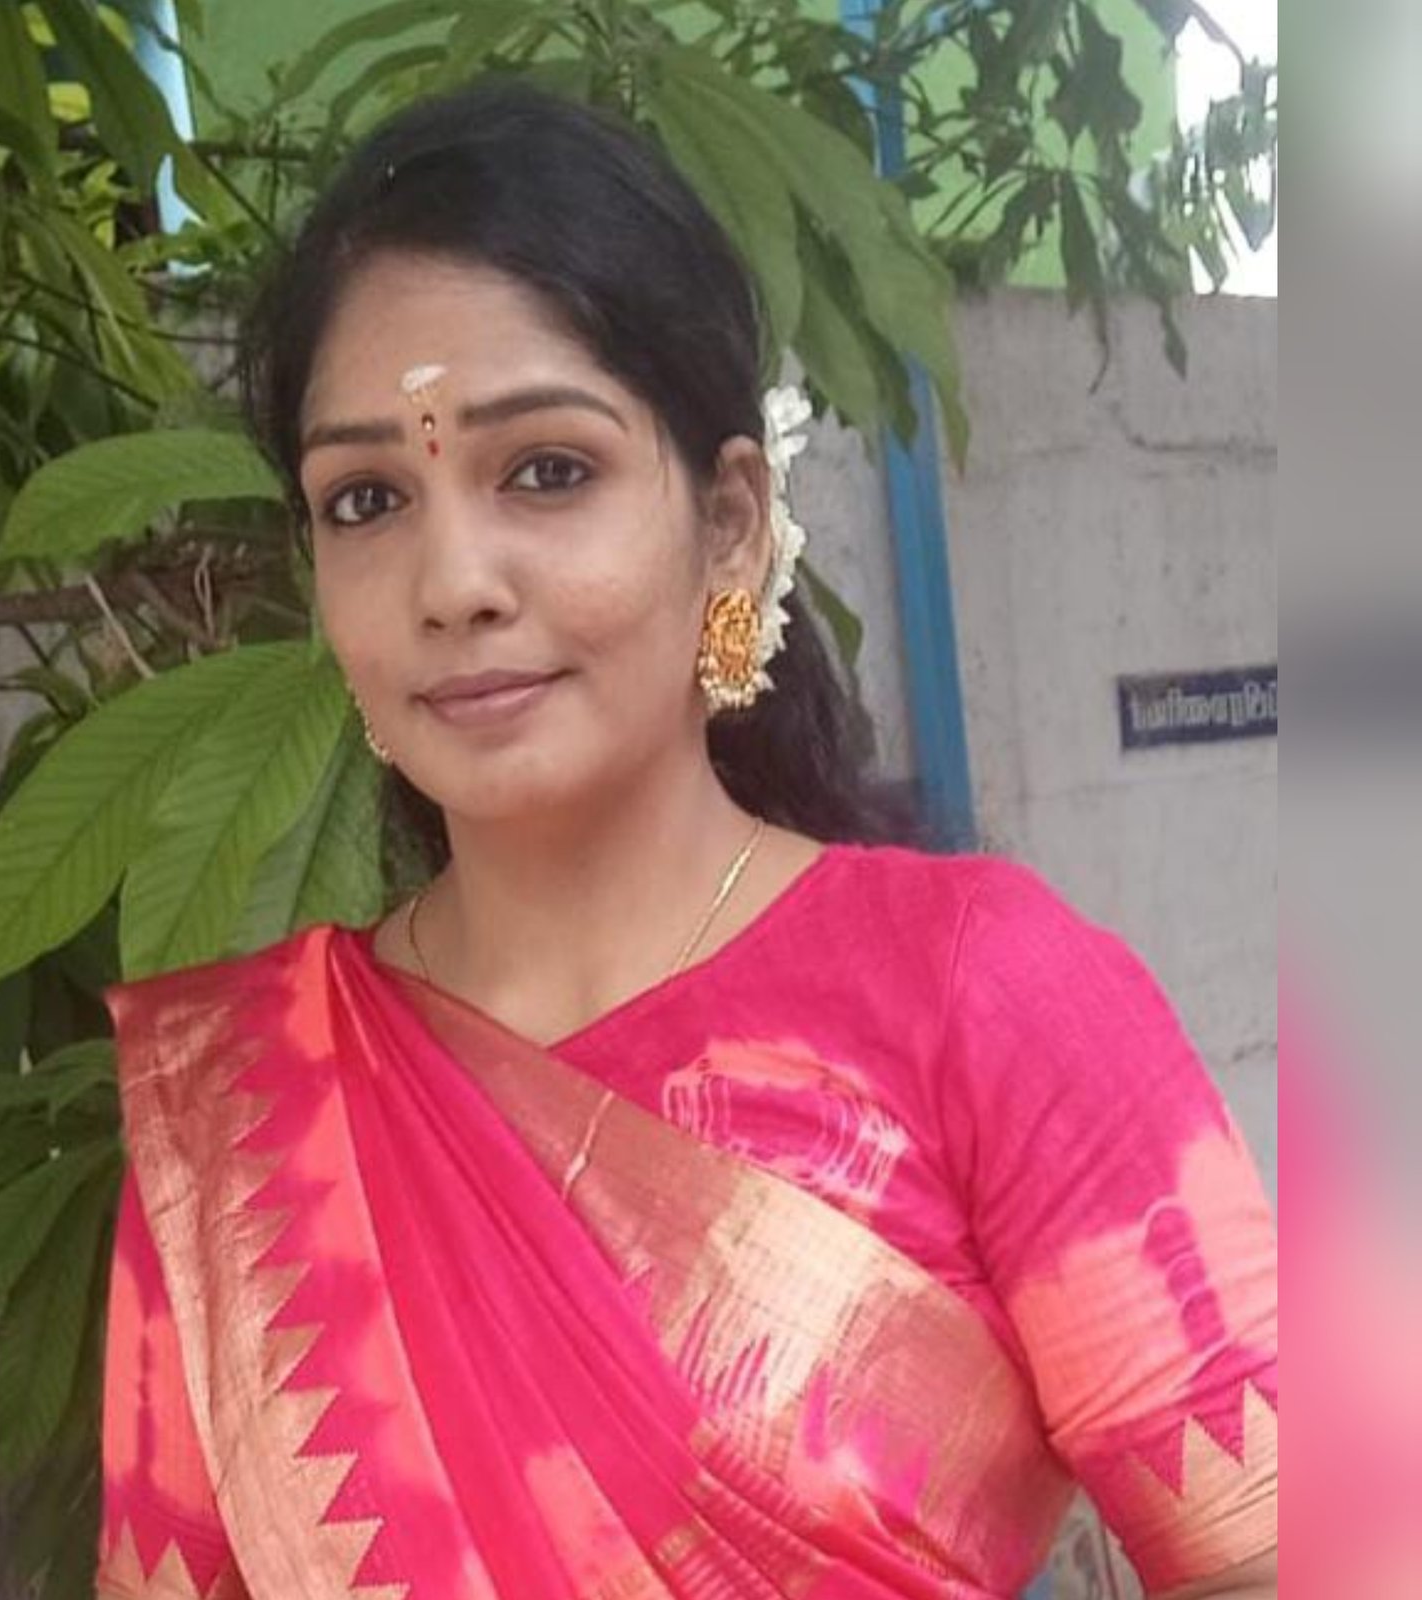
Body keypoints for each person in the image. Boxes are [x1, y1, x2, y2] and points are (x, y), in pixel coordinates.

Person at [94, 81, 1277, 1600]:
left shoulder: (980, 993)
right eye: (367, 498)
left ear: (728, 521)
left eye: (548, 470)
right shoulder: (248, 1116)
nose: (452, 581)